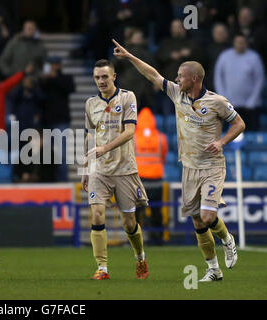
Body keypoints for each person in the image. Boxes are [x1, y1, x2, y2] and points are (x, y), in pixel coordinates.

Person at [112, 38, 245, 282]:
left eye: (180, 76)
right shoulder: (177, 95)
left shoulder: (217, 102)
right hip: (189, 167)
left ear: (194, 78)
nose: (176, 79)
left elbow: (239, 123)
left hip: (212, 167)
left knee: (207, 216)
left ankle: (227, 239)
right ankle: (214, 270)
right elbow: (152, 75)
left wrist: (221, 142)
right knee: (197, 221)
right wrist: (130, 57)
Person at [81, 59, 149, 281]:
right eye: (97, 77)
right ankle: (102, 268)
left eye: (104, 76)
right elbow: (89, 136)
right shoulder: (91, 103)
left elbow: (130, 131)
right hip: (99, 170)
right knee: (97, 213)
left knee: (128, 223)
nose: (100, 81)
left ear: (114, 77)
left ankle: (140, 257)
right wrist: (85, 168)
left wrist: (105, 148)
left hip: (124, 168)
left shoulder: (127, 97)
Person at [214, 33, 264, 131]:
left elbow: (259, 79)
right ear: (234, 43)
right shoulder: (224, 56)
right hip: (229, 106)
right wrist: (223, 99)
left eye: (243, 42)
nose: (240, 45)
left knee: (251, 135)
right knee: (228, 137)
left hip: (250, 106)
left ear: (246, 43)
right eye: (238, 42)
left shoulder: (254, 57)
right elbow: (218, 78)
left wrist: (252, 100)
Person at [134, 107, 168, 245]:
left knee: (136, 211)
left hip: (139, 180)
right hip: (156, 180)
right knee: (156, 210)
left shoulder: (133, 138)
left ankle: (135, 238)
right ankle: (158, 236)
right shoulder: (161, 138)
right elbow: (163, 156)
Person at [39, 56, 75, 182]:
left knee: (62, 155)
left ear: (59, 65)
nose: (53, 67)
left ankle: (63, 183)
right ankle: (50, 181)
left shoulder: (65, 78)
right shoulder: (44, 81)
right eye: (51, 64)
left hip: (61, 121)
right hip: (46, 122)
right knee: (46, 155)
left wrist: (54, 78)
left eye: (55, 64)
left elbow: (70, 88)